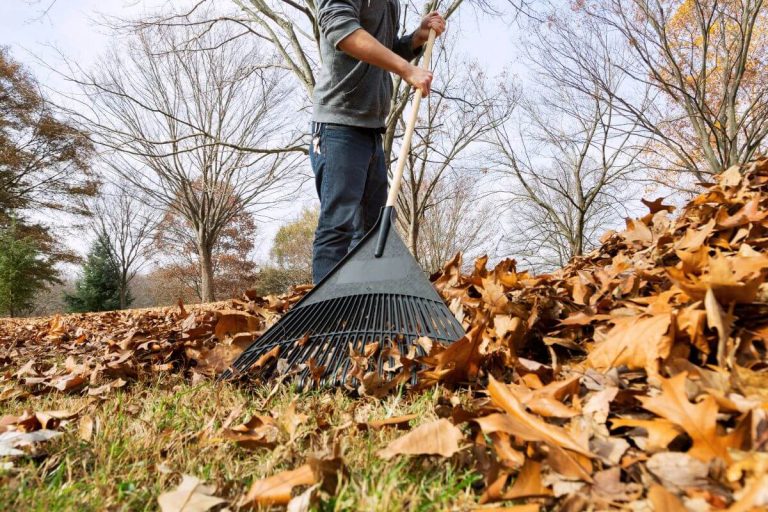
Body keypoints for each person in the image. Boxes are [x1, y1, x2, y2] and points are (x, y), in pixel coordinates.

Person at [310, 1, 447, 283]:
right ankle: (325, 318)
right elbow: (343, 31)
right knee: (338, 227)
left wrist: (417, 38)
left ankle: (363, 311)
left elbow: (383, 50)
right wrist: (406, 70)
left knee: (371, 233)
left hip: (372, 128)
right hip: (338, 125)